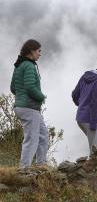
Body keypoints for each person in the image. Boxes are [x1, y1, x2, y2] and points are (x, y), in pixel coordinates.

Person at [10, 39, 48, 168]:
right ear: (31, 51)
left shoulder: (19, 65)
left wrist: (21, 97)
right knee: (32, 139)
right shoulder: (29, 65)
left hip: (23, 107)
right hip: (29, 108)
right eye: (38, 51)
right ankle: (24, 170)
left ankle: (41, 166)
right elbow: (30, 87)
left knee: (43, 135)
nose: (40, 53)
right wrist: (41, 97)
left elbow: (13, 88)